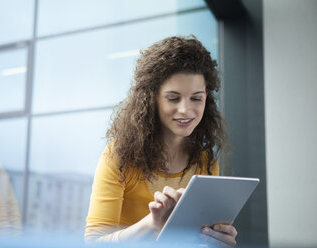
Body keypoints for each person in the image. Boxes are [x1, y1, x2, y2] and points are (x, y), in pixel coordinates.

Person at [85, 35, 237, 246]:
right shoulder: (119, 157)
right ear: (151, 99)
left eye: (196, 98)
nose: (185, 110)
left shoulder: (206, 163)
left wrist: (216, 240)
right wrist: (152, 224)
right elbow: (94, 242)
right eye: (173, 98)